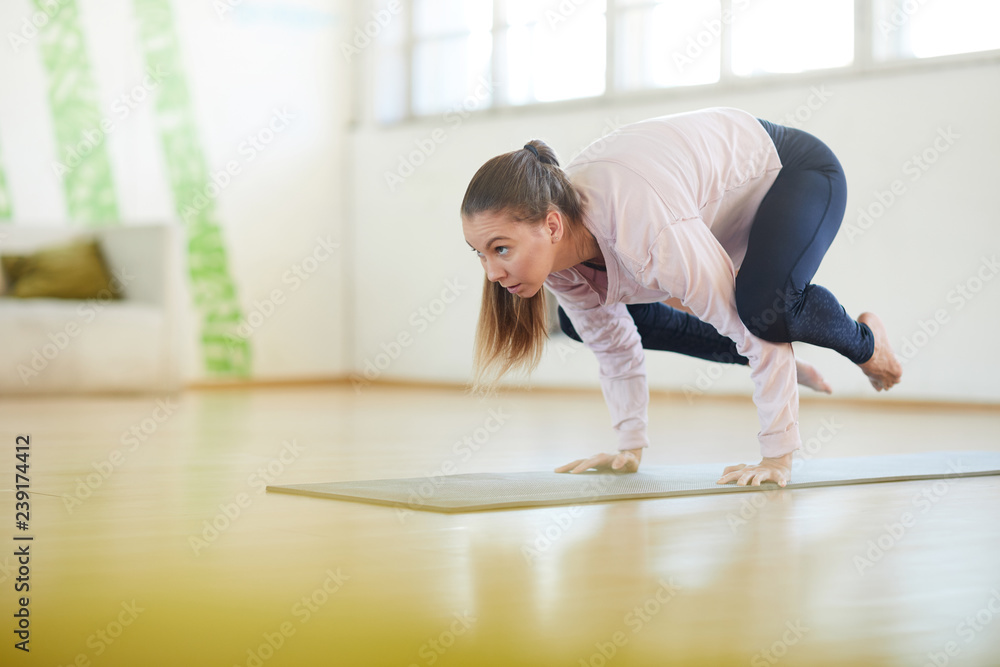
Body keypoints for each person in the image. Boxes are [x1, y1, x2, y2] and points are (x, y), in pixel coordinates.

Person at [460, 107, 902, 487]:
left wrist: (776, 458)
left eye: (501, 249)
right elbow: (614, 346)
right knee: (585, 324)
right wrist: (628, 448)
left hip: (794, 172)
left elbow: (751, 330)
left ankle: (868, 344)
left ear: (552, 227)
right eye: (480, 253)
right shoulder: (560, 259)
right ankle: (787, 363)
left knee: (765, 311)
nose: (492, 273)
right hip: (707, 210)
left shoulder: (644, 227)